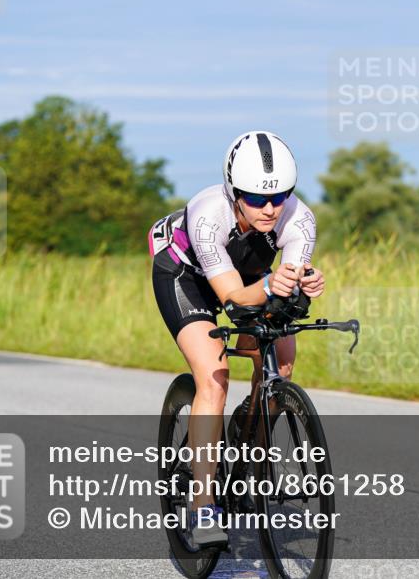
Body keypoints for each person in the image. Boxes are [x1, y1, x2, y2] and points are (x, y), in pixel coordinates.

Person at [149, 131, 324, 547]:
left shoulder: (299, 218)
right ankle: (203, 503)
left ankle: (251, 454)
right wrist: (271, 283)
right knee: (215, 374)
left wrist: (301, 285)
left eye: (280, 197)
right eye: (256, 198)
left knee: (280, 356)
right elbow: (232, 297)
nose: (270, 208)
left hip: (244, 272)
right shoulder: (209, 213)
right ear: (233, 192)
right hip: (185, 273)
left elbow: (282, 290)